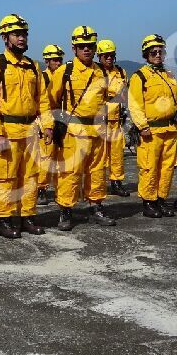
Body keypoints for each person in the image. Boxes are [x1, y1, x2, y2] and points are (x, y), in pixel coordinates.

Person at [0, 15, 52, 238]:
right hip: (7, 132)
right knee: (6, 178)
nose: (21, 38)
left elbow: (43, 100)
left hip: (30, 131)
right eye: (16, 34)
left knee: (31, 176)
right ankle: (4, 218)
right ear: (5, 37)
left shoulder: (32, 66)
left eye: (24, 34)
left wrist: (48, 126)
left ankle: (27, 217)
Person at [48, 26, 117, 230]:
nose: (86, 49)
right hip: (73, 132)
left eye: (90, 46)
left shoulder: (101, 72)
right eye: (82, 46)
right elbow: (51, 99)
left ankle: (96, 207)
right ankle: (65, 211)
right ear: (74, 48)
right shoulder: (65, 71)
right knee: (70, 171)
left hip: (97, 130)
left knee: (97, 171)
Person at [128, 34, 177, 218]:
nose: (158, 54)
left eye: (160, 51)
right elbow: (134, 104)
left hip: (169, 129)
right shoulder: (140, 76)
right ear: (146, 54)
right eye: (153, 52)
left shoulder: (169, 75)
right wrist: (142, 126)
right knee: (149, 167)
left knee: (167, 167)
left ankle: (161, 199)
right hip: (150, 131)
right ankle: (149, 202)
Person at [96, 39, 129, 197]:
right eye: (105, 55)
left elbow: (124, 94)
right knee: (99, 155)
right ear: (99, 56)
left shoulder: (121, 72)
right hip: (99, 121)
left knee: (117, 154)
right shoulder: (95, 72)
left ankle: (116, 182)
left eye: (111, 55)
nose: (109, 58)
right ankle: (98, 184)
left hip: (116, 119)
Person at [36, 44, 64, 206]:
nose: (58, 63)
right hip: (46, 122)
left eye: (59, 59)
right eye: (54, 60)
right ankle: (41, 189)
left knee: (62, 158)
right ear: (47, 61)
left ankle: (61, 190)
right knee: (46, 158)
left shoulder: (65, 75)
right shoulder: (43, 78)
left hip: (62, 121)